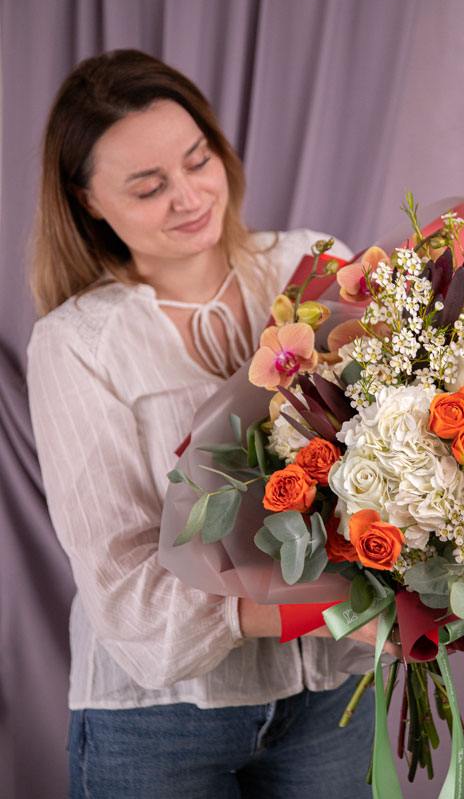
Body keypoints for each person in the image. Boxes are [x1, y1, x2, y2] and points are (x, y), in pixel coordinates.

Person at [27, 49, 398, 799]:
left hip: (332, 696)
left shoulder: (312, 264)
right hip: (158, 726)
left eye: (198, 160)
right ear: (89, 200)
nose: (190, 196)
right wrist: (323, 605)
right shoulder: (76, 344)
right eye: (148, 186)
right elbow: (124, 585)